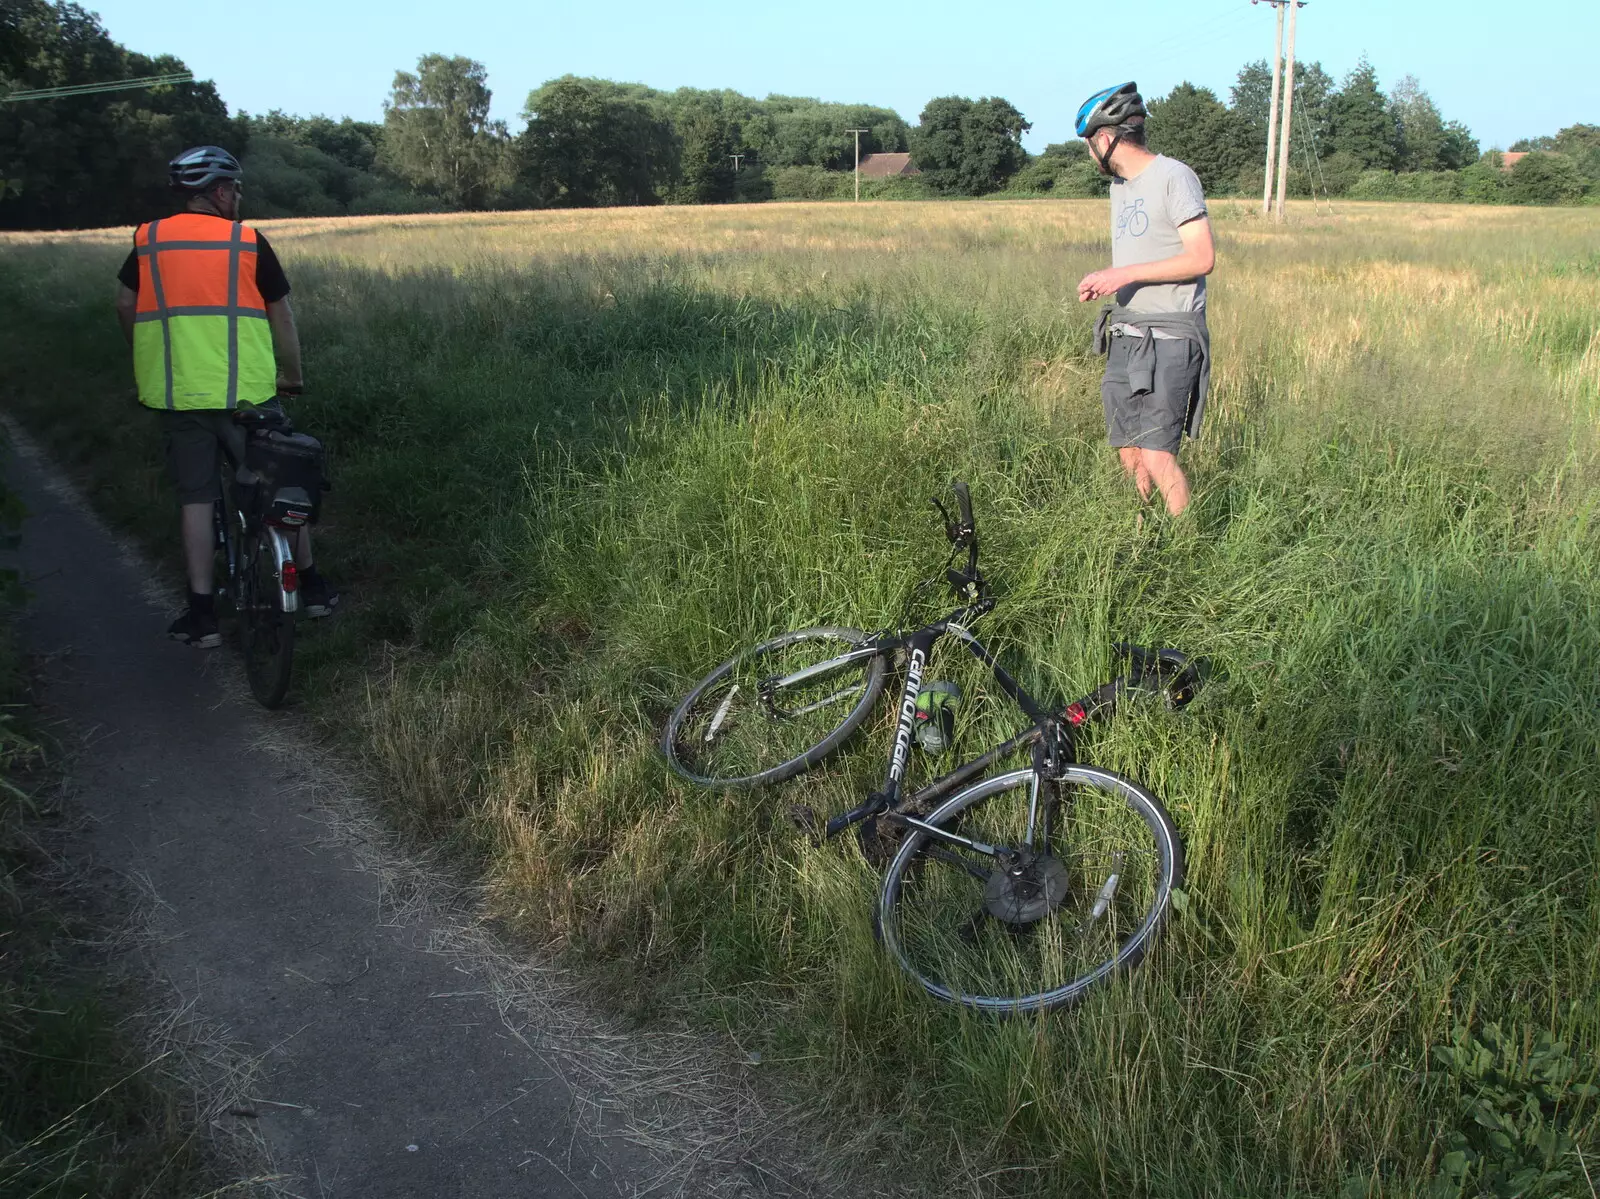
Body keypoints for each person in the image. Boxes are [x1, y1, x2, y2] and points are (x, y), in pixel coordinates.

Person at [114, 145, 337, 647]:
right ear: (217, 191)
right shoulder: (246, 242)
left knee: (196, 499)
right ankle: (315, 590)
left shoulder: (149, 242)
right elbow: (282, 313)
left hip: (180, 396)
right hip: (250, 396)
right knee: (283, 490)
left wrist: (148, 357)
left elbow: (125, 305)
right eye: (234, 188)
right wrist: (293, 375)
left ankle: (202, 615)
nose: (237, 197)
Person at [1074, 83, 1215, 518]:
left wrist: (1122, 274)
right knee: (1129, 452)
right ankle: (1141, 539)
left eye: (1087, 146)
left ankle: (1185, 553)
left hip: (1171, 336)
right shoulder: (1119, 188)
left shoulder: (1174, 176)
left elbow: (1201, 256)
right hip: (1127, 332)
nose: (1089, 155)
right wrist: (1110, 281)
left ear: (1103, 138)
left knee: (1157, 455)